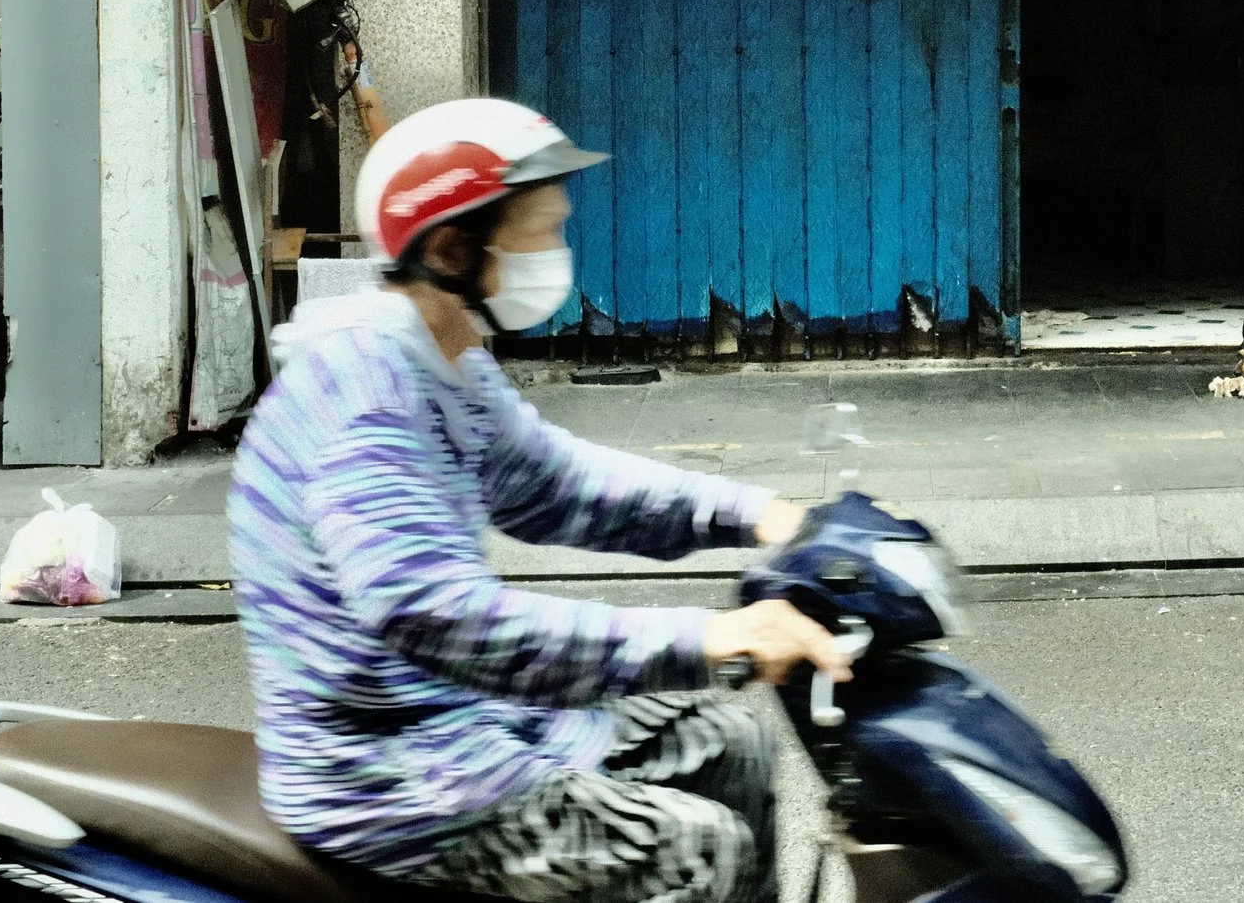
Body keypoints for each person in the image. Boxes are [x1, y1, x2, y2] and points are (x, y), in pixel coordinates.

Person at [229, 98, 848, 903]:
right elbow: (442, 615)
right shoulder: (366, 400)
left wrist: (759, 513)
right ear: (454, 250)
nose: (556, 254)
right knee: (698, 852)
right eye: (537, 233)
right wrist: (712, 635)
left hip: (468, 722)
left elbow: (556, 485)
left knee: (732, 741)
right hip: (395, 776)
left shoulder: (446, 357)